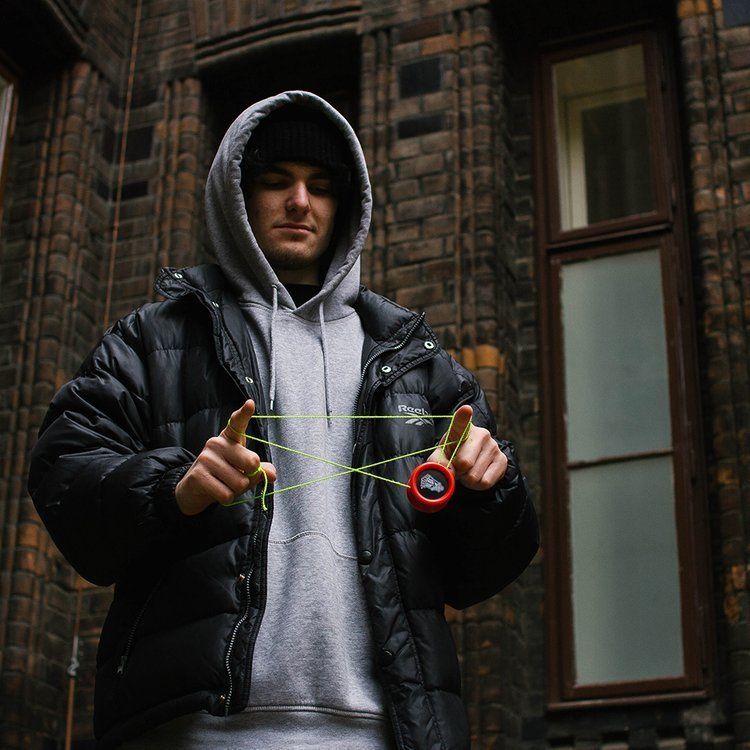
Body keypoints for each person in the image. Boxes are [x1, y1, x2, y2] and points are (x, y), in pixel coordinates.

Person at [28, 90, 539, 749]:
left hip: (383, 734)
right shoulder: (153, 340)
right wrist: (174, 488)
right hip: (198, 732)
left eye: (321, 187)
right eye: (277, 181)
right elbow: (66, 479)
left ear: (344, 205)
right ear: (238, 195)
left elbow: (482, 572)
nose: (301, 202)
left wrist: (488, 490)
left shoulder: (415, 360)